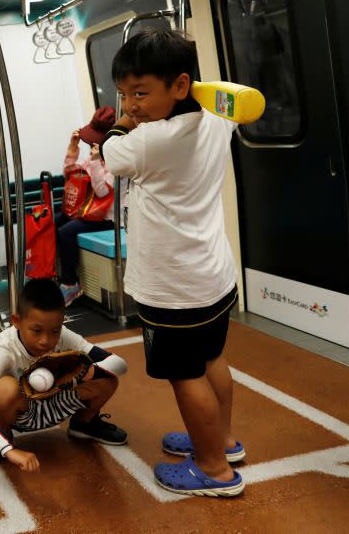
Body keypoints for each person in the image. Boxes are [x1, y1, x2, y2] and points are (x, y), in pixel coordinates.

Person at [100, 28, 245, 497]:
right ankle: (222, 440)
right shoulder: (218, 118)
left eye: (141, 93)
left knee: (187, 376)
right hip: (214, 275)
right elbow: (219, 102)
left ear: (180, 85)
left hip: (173, 288)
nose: (131, 105)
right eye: (124, 94)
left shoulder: (149, 142)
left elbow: (111, 149)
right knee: (212, 359)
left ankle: (214, 470)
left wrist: (121, 120)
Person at [0, 279, 129, 472]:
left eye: (54, 331)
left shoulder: (64, 336)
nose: (46, 340)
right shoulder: (6, 347)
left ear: (62, 322)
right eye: (36, 331)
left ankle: (84, 424)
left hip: (56, 401)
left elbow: (120, 364)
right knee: (4, 389)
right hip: (22, 413)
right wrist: (7, 449)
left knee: (107, 379)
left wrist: (90, 372)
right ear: (17, 321)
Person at [56, 106, 118, 307]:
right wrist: (72, 148)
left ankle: (70, 283)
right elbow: (71, 175)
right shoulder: (96, 156)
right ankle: (51, 272)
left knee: (66, 231)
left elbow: (102, 192)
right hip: (88, 212)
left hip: (108, 219)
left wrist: (94, 162)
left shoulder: (117, 161)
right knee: (53, 221)